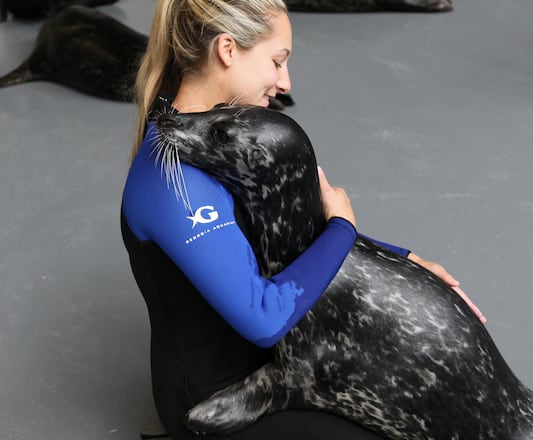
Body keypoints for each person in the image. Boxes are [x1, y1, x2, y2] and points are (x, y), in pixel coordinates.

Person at [121, 0, 484, 438]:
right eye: (277, 61)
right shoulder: (172, 173)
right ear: (227, 50)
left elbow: (294, 236)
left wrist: (407, 262)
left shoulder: (232, 129)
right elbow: (262, 317)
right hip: (218, 397)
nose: (285, 82)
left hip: (284, 358)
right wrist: (342, 230)